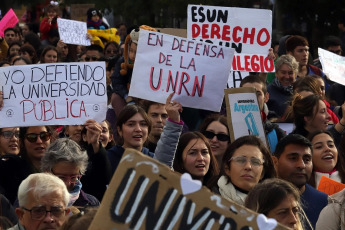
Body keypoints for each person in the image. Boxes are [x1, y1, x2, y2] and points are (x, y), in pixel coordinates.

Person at [272, 134, 328, 229]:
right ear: (275, 162)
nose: (301, 165)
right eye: (293, 158)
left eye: (307, 159)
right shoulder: (259, 198)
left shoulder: (325, 202)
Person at [41, 138, 100, 210]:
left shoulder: (91, 204)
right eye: (61, 177)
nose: (68, 183)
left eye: (73, 177)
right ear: (47, 173)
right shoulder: (34, 202)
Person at [217, 135, 276, 205]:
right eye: (241, 160)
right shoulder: (208, 199)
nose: (248, 166)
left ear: (262, 173)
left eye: (255, 162)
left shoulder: (274, 205)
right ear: (227, 169)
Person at [0, 126, 52, 204]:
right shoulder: (9, 172)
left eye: (44, 136)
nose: (39, 141)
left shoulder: (61, 168)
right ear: (21, 142)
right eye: (32, 137)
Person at [240, 75, 286, 153]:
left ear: (266, 97)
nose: (252, 98)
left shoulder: (277, 134)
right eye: (247, 93)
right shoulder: (226, 130)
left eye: (257, 94)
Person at [266, 54, 299, 118]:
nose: (287, 77)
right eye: (283, 72)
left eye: (290, 73)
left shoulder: (302, 91)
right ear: (276, 73)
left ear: (296, 74)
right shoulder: (268, 92)